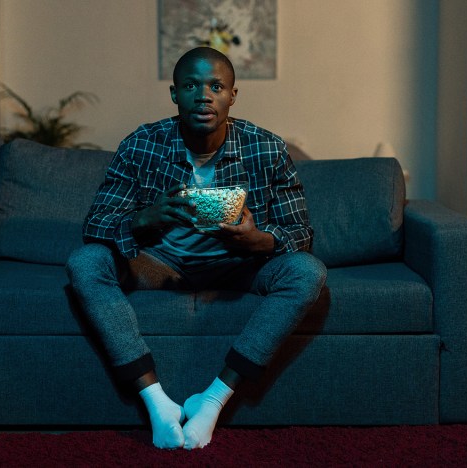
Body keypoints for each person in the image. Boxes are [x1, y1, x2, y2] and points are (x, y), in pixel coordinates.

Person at [66, 47, 326, 450]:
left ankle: (213, 400)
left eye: (216, 86)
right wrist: (143, 219)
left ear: (232, 96)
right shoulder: (141, 144)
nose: (203, 95)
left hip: (238, 265)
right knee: (86, 263)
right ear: (174, 94)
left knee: (308, 272)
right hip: (159, 263)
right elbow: (95, 226)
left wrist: (260, 240)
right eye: (190, 86)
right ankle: (157, 402)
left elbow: (300, 232)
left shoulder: (266, 147)